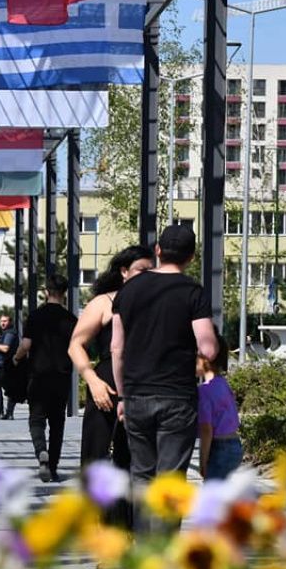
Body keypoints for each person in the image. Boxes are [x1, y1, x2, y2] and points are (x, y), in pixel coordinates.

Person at [111, 225, 218, 532]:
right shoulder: (193, 292)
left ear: (157, 250)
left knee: (142, 475)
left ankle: (144, 553)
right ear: (192, 257)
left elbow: (116, 347)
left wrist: (122, 396)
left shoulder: (128, 290)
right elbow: (207, 347)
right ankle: (165, 556)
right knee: (170, 479)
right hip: (177, 397)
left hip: (136, 396)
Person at [69, 246, 155, 467]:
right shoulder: (103, 302)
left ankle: (129, 502)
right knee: (97, 452)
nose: (147, 276)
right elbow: (76, 345)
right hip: (106, 385)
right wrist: (92, 381)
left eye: (151, 271)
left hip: (143, 384)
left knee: (134, 457)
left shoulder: (155, 303)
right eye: (141, 270)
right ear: (124, 271)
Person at [13, 274, 79, 483]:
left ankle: (41, 451)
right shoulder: (71, 320)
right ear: (65, 293)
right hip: (61, 376)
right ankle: (53, 466)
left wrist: (16, 359)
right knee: (57, 423)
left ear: (46, 291)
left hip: (38, 375)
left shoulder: (35, 316)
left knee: (36, 418)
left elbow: (26, 346)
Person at [197, 328, 243, 479]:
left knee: (212, 495)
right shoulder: (223, 384)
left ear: (206, 359)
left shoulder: (204, 391)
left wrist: (202, 461)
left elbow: (206, 430)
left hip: (219, 448)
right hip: (235, 445)